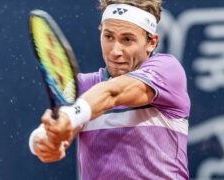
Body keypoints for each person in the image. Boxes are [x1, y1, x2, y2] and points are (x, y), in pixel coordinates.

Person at [29, 0, 191, 179]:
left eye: (127, 40)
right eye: (109, 37)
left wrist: (70, 115)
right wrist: (44, 140)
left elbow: (113, 93)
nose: (115, 51)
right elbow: (51, 131)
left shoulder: (167, 70)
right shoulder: (81, 86)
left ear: (151, 42)